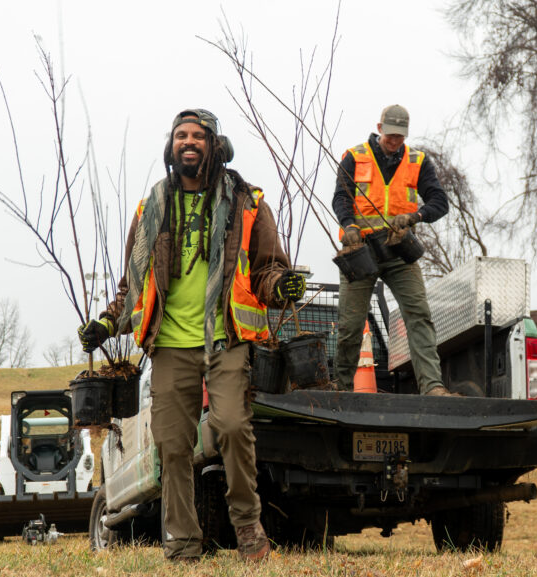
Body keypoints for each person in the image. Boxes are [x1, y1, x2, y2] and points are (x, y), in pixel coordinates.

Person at [77, 109, 306, 562]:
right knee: (172, 445)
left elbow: (265, 270)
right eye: (180, 135)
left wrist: (281, 286)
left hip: (225, 340)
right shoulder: (151, 208)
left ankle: (247, 527)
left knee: (233, 427)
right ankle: (183, 545)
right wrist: (107, 323)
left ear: (214, 145)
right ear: (171, 145)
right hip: (170, 346)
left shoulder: (248, 203)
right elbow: (134, 283)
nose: (188, 142)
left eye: (197, 136)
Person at [332, 104, 456, 396]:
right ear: (379, 129)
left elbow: (439, 201)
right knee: (350, 326)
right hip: (360, 251)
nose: (394, 141)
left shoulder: (418, 161)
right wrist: (349, 226)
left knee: (419, 315)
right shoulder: (355, 157)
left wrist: (417, 216)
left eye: (400, 136)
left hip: (399, 250)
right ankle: (342, 389)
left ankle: (432, 386)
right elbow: (341, 197)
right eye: (390, 135)